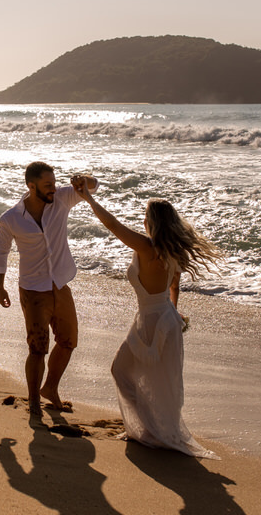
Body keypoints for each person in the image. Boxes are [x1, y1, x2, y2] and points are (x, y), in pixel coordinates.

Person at [74, 184, 221, 459]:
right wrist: (175, 314)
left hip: (154, 320)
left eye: (145, 216)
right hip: (163, 318)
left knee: (122, 370)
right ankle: (151, 427)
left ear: (150, 221)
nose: (142, 220)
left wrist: (88, 198)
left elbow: (112, 224)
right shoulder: (172, 251)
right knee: (158, 381)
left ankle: (151, 429)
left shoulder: (146, 246)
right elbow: (173, 287)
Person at [0, 161, 97, 417]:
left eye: (54, 183)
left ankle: (50, 388)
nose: (53, 188)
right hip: (33, 290)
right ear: (31, 186)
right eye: (47, 185)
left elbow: (93, 187)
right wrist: (0, 287)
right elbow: (0, 253)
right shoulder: (11, 219)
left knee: (68, 341)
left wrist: (82, 179)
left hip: (60, 284)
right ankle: (33, 402)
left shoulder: (61, 199)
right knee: (37, 348)